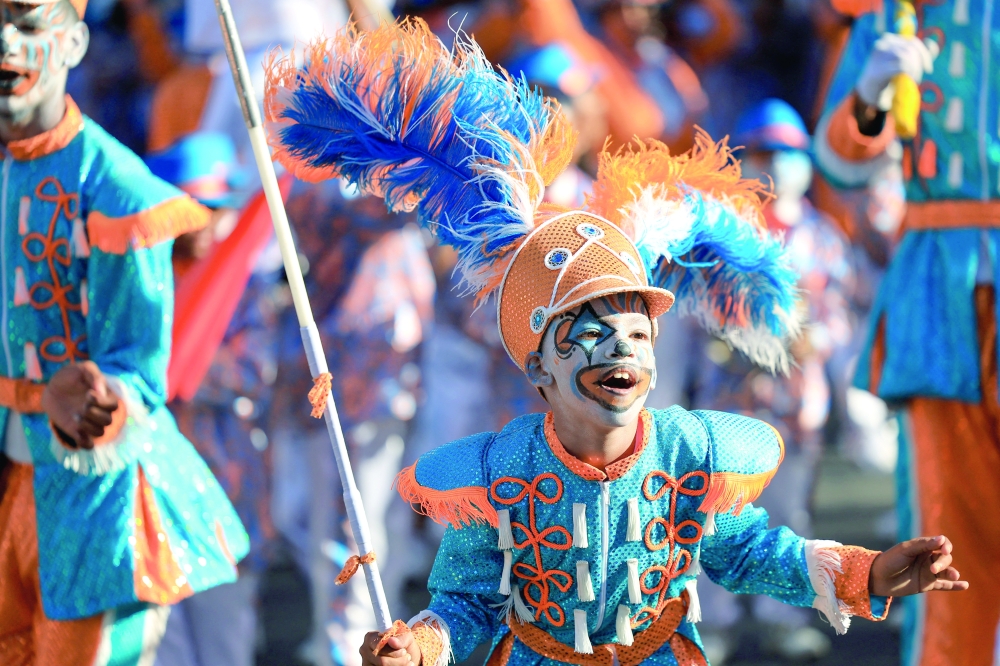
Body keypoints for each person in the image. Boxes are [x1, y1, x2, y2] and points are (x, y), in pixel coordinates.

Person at [263, 20, 968, 665]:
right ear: (539, 367)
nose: (619, 352)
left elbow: (753, 550)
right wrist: (419, 645)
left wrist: (867, 573)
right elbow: (467, 604)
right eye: (591, 336)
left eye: (637, 334)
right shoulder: (502, 470)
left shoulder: (686, 454)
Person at [0, 2, 248, 664]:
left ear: (74, 41)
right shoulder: (8, 170)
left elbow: (138, 376)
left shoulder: (115, 191)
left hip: (96, 510)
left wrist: (86, 400)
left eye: (25, 22)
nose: (5, 41)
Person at [814, 2, 1000, 663]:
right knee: (949, 529)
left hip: (943, 276)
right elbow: (837, 165)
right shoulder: (894, 14)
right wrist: (869, 94)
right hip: (938, 290)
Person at [689, 99, 856, 663]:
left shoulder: (824, 236)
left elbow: (840, 313)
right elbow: (694, 312)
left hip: (795, 403)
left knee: (789, 515)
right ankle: (714, 619)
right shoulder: (722, 235)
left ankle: (785, 615)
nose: (777, 164)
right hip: (730, 400)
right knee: (715, 512)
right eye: (764, 151)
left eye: (788, 152)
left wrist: (816, 341)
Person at [145, 132, 283, 666]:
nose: (207, 223)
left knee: (225, 642)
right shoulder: (146, 276)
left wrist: (170, 369)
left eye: (218, 209)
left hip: (227, 487)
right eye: (196, 208)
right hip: (155, 494)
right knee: (166, 644)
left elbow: (253, 370)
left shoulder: (242, 288)